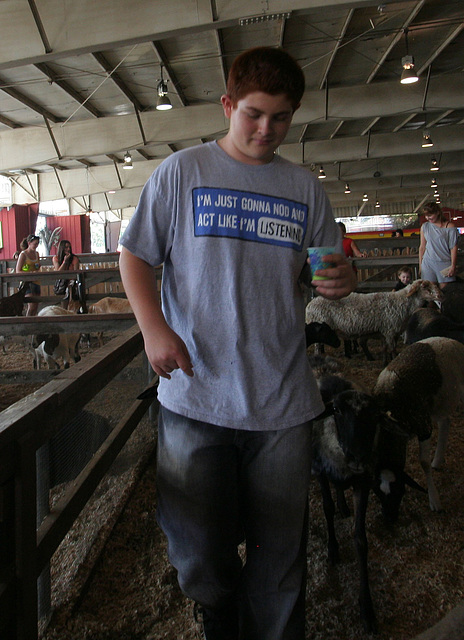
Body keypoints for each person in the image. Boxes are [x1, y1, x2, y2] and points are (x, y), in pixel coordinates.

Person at [119, 46, 356, 640]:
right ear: (227, 105)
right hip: (195, 396)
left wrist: (344, 280)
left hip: (281, 402)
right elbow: (134, 253)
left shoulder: (304, 189)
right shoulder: (182, 173)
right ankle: (218, 612)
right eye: (253, 113)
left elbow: (332, 272)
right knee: (196, 548)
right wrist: (154, 327)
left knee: (280, 556)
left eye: (280, 117)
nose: (265, 129)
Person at [419, 201, 459, 288]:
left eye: (430, 215)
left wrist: (453, 265)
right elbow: (422, 247)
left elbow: (453, 247)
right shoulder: (425, 226)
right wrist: (420, 265)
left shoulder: (450, 227)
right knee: (430, 292)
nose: (428, 218)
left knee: (445, 291)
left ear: (437, 212)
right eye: (426, 216)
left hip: (444, 263)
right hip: (428, 262)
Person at [15, 233, 41, 316]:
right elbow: (18, 270)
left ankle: (33, 323)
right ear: (29, 243)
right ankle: (27, 322)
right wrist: (29, 273)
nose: (36, 246)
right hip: (26, 282)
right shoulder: (23, 255)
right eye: (35, 244)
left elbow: (37, 266)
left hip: (36, 281)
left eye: (37, 244)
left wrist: (37, 268)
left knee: (36, 305)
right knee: (31, 305)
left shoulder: (37, 254)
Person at [52, 239, 80, 308]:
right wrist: (65, 262)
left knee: (71, 295)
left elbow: (76, 272)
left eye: (69, 247)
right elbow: (58, 272)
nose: (68, 249)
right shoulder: (56, 258)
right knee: (63, 301)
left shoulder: (74, 258)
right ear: (62, 248)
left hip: (71, 282)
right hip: (61, 282)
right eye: (66, 247)